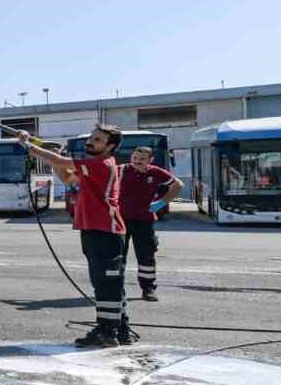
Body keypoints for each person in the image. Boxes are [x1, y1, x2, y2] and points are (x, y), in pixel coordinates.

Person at [15, 125, 133, 348]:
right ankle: (119, 328)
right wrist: (53, 158)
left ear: (110, 146)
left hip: (104, 231)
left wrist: (29, 144)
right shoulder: (93, 165)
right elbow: (69, 178)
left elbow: (64, 164)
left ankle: (108, 332)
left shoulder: (101, 163)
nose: (91, 142)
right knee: (108, 282)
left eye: (97, 140)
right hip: (95, 230)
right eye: (91, 138)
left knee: (106, 283)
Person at [119, 145, 181, 302]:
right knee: (118, 256)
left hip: (144, 221)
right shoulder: (120, 170)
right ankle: (117, 289)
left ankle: (148, 289)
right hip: (120, 220)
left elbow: (178, 185)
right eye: (135, 158)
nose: (137, 161)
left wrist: (161, 202)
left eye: (142, 159)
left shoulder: (155, 172)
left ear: (150, 160)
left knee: (146, 257)